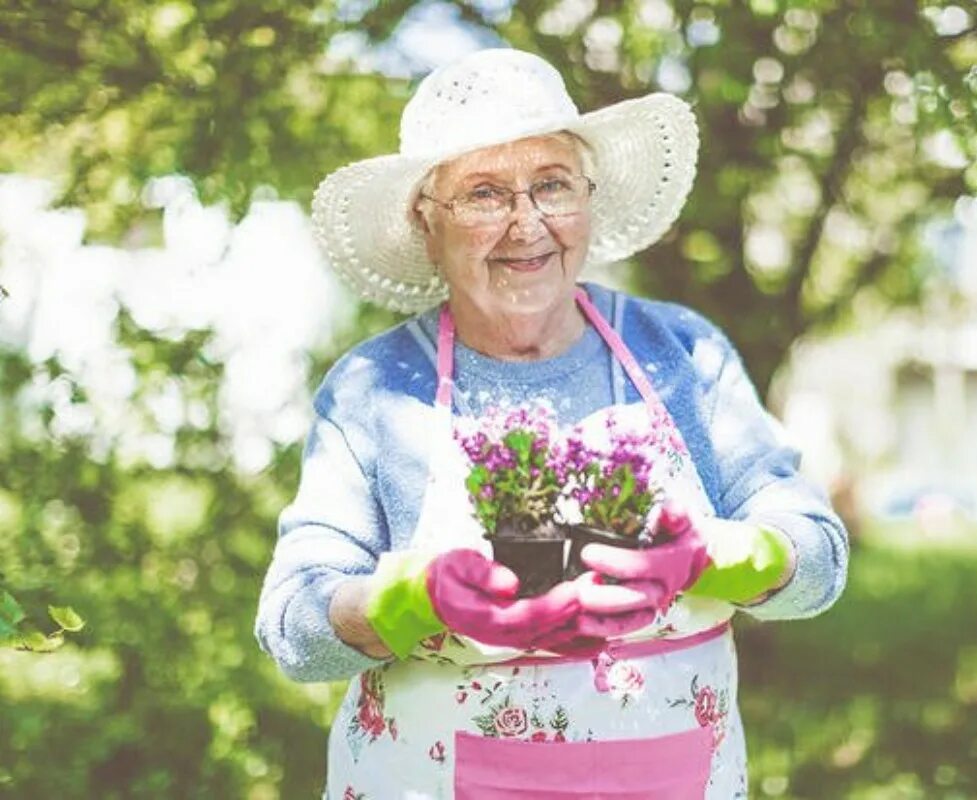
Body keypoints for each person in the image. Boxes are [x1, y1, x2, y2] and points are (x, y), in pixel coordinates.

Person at [255, 48, 849, 799]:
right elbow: (293, 627)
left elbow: (820, 560)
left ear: (588, 202)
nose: (526, 223)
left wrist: (713, 555)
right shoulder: (378, 387)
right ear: (425, 225)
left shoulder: (681, 351)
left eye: (551, 185)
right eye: (483, 194)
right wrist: (413, 600)